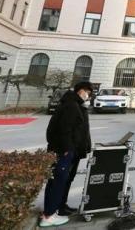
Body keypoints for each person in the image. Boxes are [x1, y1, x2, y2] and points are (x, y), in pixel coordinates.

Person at [41, 81, 93, 227]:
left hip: (72, 150)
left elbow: (80, 130)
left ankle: (59, 207)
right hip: (64, 151)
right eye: (87, 92)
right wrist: (67, 149)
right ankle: (49, 214)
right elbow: (65, 130)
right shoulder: (71, 105)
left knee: (64, 180)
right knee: (57, 181)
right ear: (80, 91)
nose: (88, 96)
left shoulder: (76, 105)